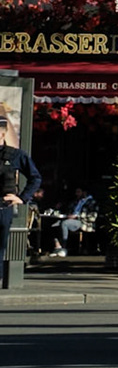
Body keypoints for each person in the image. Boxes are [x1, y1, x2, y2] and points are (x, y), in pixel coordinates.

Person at [0, 111, 42, 286]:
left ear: (3, 133)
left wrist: (22, 198)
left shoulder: (14, 155)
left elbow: (35, 177)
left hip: (2, 208)